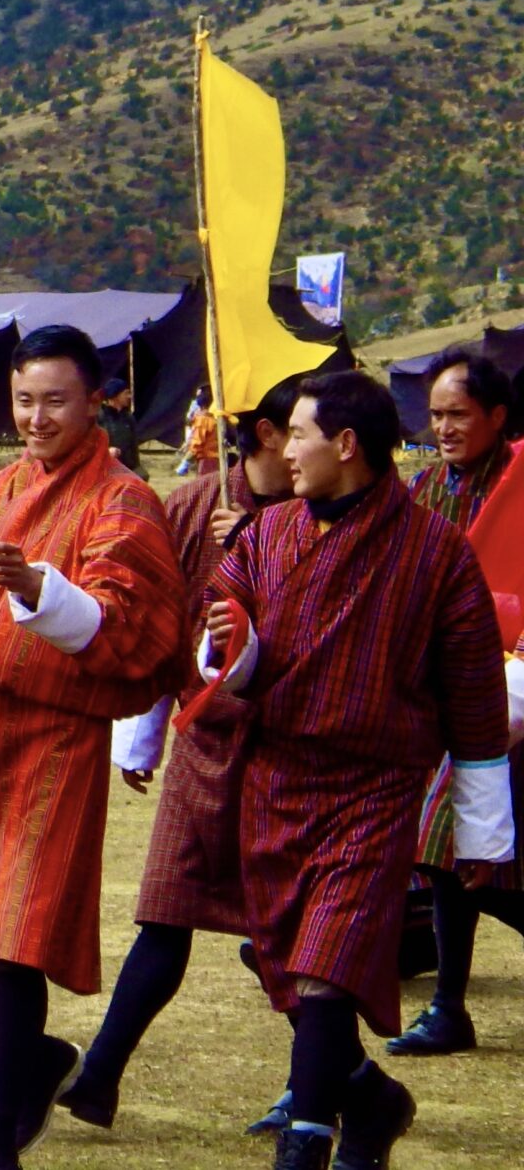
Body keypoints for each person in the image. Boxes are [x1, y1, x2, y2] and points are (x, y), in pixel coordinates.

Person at [0, 324, 183, 1170]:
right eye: (25, 400)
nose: (38, 417)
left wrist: (41, 590)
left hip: (56, 740)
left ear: (96, 401)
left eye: (56, 400)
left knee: (14, 943)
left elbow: (131, 623)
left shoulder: (122, 500)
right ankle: (43, 1060)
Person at [205, 369, 513, 1170]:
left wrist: (480, 830)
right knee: (287, 961)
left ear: (345, 445)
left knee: (327, 968)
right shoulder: (268, 536)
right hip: (275, 784)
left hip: (375, 791)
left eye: (298, 433)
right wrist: (228, 640)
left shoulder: (436, 554)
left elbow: (477, 695)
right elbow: (222, 638)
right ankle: (373, 1100)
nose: (285, 449)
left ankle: (307, 1143)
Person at [59, 374, 305, 1134]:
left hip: (288, 754)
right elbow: (161, 617)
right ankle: (98, 1076)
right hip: (204, 742)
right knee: (165, 914)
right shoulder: (196, 503)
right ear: (267, 434)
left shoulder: (325, 518)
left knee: (293, 936)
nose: (308, 445)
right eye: (299, 429)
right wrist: (143, 730)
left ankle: (331, 1087)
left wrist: (261, 550)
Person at [391, 348, 524, 1060]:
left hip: (516, 696)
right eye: (434, 414)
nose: (442, 427)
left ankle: (449, 1008)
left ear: (497, 417)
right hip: (454, 704)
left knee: (468, 850)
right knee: (449, 848)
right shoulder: (423, 493)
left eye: (457, 414)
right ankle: (448, 1007)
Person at [101, 377, 144, 474]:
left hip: (125, 471)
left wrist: (137, 471)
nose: (129, 396)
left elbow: (133, 448)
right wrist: (106, 451)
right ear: (115, 395)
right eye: (126, 393)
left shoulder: (128, 418)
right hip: (103, 471)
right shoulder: (97, 418)